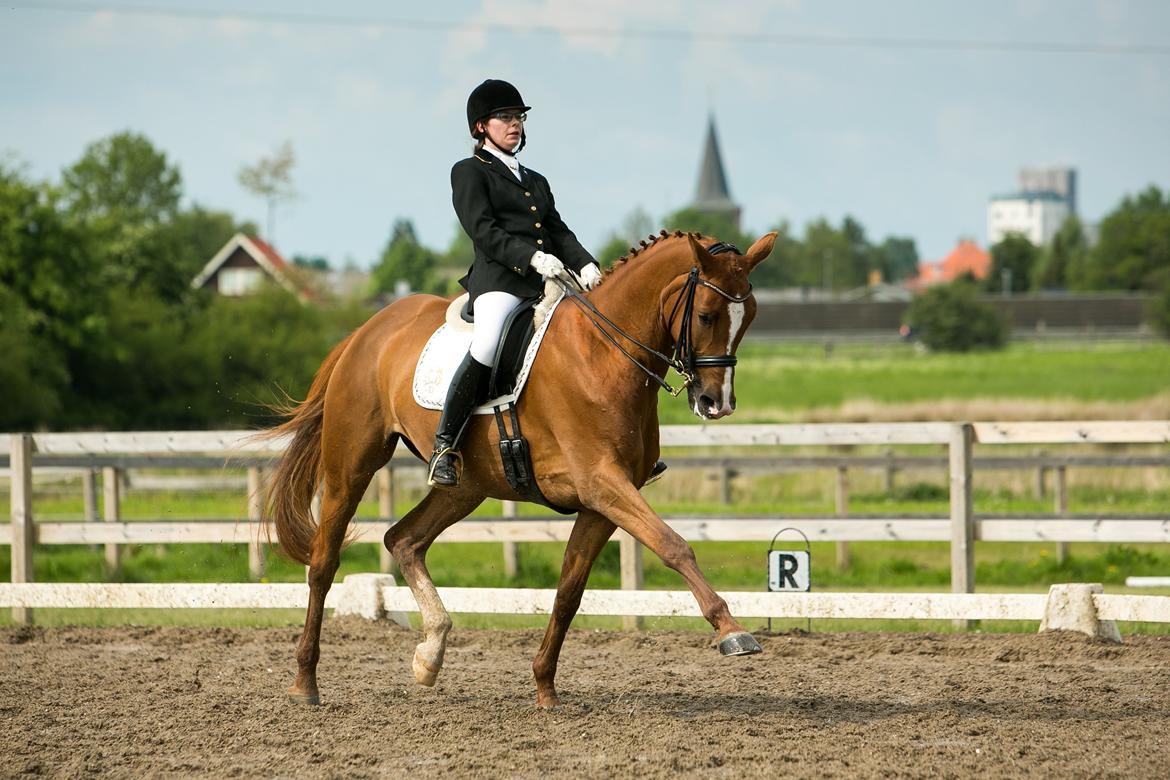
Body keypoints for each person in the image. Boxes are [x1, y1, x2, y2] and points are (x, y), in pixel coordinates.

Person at [428, 79, 603, 487]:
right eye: (505, 118)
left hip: (549, 282)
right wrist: (530, 258)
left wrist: (588, 264)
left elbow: (558, 231)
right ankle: (444, 446)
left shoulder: (536, 180)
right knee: (487, 344)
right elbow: (482, 230)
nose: (515, 125)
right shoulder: (469, 172)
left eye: (518, 118)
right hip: (500, 282)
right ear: (480, 127)